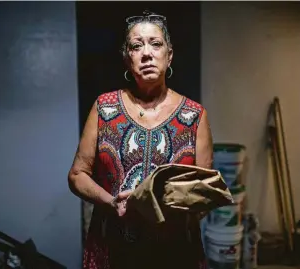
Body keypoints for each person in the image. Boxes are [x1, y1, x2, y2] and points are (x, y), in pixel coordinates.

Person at [68, 10, 213, 269]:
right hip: (112, 249)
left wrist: (168, 205)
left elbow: (205, 192)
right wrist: (110, 202)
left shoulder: (194, 115)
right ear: (127, 59)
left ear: (169, 56)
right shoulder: (104, 108)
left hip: (176, 253)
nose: (146, 53)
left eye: (156, 44)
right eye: (136, 46)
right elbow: (77, 174)